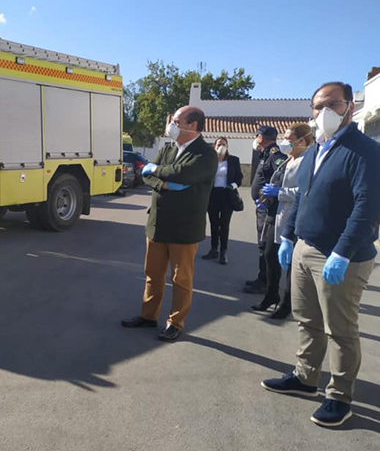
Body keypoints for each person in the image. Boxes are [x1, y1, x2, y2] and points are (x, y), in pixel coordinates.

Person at [262, 82, 380, 427]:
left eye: (333, 104)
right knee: (307, 320)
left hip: (342, 257)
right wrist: (288, 236)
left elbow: (367, 207)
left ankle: (340, 397)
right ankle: (305, 377)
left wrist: (342, 252)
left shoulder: (365, 151)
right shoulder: (317, 148)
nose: (324, 112)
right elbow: (303, 196)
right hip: (305, 248)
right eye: (317, 106)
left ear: (350, 106)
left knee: (340, 330)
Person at [121, 106, 218, 342]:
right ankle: (148, 315)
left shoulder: (205, 154)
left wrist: (160, 171)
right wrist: (163, 183)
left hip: (184, 227)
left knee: (181, 279)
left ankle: (175, 322)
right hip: (157, 223)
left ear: (192, 124)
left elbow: (183, 172)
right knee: (152, 274)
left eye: (176, 120)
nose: (171, 124)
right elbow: (147, 173)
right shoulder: (166, 148)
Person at [255, 124, 313, 319]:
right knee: (270, 255)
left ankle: (287, 303)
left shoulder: (307, 162)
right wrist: (265, 197)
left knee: (288, 263)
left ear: (302, 141)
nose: (284, 142)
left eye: (289, 138)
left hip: (292, 218)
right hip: (275, 214)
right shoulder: (288, 159)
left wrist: (279, 193)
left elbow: (305, 191)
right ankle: (270, 295)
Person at [244, 126, 287, 294]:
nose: (255, 138)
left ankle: (265, 283)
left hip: (267, 210)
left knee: (265, 246)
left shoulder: (275, 155)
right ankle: (262, 278)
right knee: (262, 245)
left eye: (257, 135)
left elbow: (277, 180)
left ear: (261, 137)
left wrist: (267, 200)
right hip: (261, 208)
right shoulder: (265, 153)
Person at [202, 137, 243, 265]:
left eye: (224, 144)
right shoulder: (209, 160)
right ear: (214, 146)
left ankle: (223, 252)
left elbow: (239, 178)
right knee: (214, 223)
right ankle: (214, 249)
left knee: (224, 224)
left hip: (227, 195)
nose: (221, 146)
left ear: (227, 146)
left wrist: (233, 185)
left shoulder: (233, 160)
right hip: (213, 195)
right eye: (219, 144)